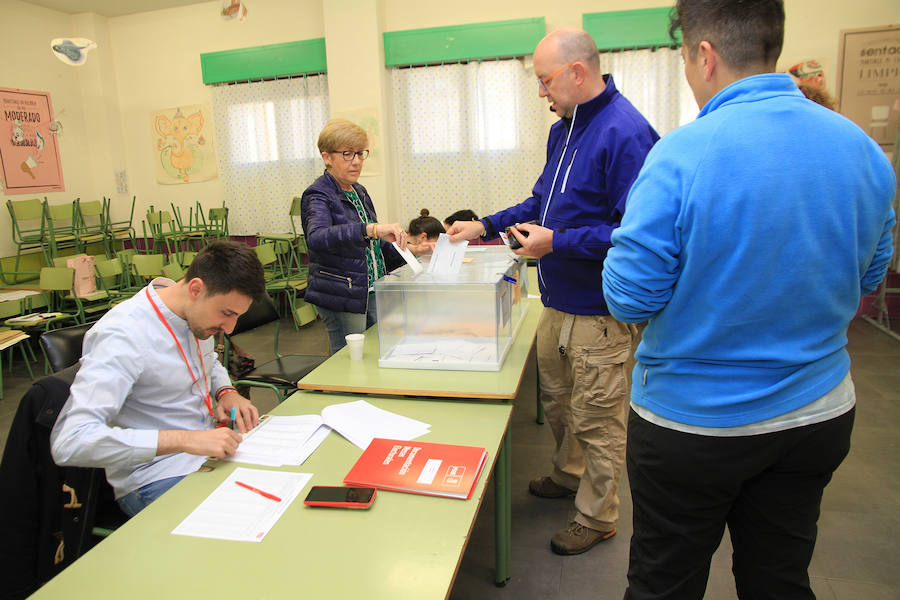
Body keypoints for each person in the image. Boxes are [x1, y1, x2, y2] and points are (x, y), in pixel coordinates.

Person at [600, 1, 896, 598]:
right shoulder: (860, 147)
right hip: (815, 413)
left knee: (666, 580)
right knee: (779, 576)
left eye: (685, 59)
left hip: (694, 423)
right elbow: (870, 278)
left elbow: (629, 298)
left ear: (704, 55)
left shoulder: (682, 154)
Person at [448, 28, 659, 555]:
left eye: (544, 80)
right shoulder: (563, 129)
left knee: (599, 416)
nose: (541, 92)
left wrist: (557, 242)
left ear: (577, 73)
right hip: (557, 298)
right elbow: (541, 202)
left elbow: (636, 232)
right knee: (562, 401)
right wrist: (485, 225)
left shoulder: (626, 132)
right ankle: (569, 475)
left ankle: (598, 513)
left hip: (601, 307)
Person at [51, 241, 268, 517]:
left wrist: (225, 391)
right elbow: (71, 442)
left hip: (206, 455)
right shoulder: (125, 335)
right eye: (226, 313)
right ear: (196, 289)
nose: (229, 328)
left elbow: (208, 361)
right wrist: (186, 439)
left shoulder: (191, 313)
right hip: (155, 477)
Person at [301, 118, 408, 354]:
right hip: (341, 290)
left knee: (374, 352)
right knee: (349, 359)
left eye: (360, 153)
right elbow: (317, 237)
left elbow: (373, 244)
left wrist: (411, 251)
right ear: (326, 157)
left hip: (367, 287)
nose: (357, 161)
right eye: (347, 154)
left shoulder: (359, 190)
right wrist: (370, 229)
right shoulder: (318, 194)